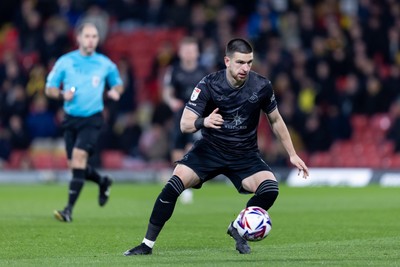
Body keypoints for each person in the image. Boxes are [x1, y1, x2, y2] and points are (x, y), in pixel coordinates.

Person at [123, 38, 309, 255]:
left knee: (270, 188)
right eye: (240, 62)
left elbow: (275, 120)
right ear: (227, 61)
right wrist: (204, 121)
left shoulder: (262, 86)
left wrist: (292, 154)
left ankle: (238, 227)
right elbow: (185, 123)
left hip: (244, 154)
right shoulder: (208, 84)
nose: (245, 68)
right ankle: (146, 245)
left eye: (249, 62)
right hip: (210, 150)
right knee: (173, 185)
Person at [45, 22, 124, 222]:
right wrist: (63, 94)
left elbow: (118, 84)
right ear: (78, 38)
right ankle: (103, 181)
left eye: (94, 37)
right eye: (87, 36)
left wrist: (115, 91)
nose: (91, 40)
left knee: (79, 158)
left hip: (93, 118)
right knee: (75, 166)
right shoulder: (65, 61)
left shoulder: (105, 63)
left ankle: (68, 210)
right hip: (71, 119)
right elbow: (49, 89)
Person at [162, 36, 208, 204]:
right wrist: (171, 101)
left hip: (197, 116)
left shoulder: (204, 72)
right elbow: (166, 92)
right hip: (179, 115)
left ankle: (185, 186)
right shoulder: (174, 70)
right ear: (180, 52)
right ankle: (179, 182)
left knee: (191, 148)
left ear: (197, 53)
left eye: (192, 50)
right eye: (186, 50)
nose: (189, 54)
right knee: (176, 149)